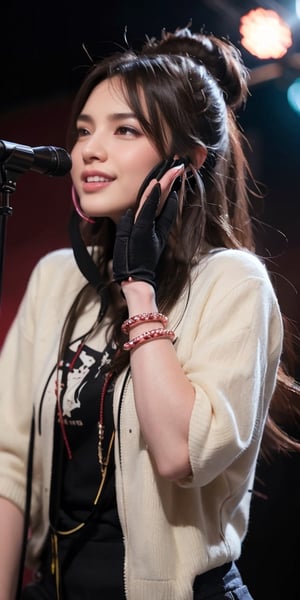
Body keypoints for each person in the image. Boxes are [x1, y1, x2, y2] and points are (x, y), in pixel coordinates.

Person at [0, 25, 299, 600]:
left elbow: (178, 453)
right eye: (84, 130)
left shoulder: (234, 282)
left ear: (182, 163)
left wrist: (138, 286)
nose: (89, 148)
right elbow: (11, 465)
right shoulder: (55, 278)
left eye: (124, 130)